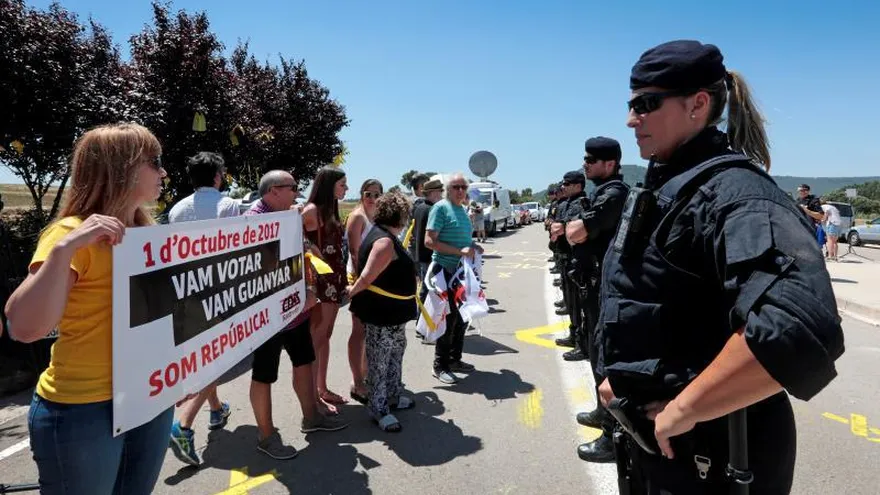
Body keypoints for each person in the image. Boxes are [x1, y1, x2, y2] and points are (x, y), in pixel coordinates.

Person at [597, 40, 844, 493]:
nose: (632, 119)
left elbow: (798, 328)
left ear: (698, 104)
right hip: (661, 447)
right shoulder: (673, 184)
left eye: (645, 104)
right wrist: (622, 380)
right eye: (631, 106)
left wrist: (684, 408)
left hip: (714, 452)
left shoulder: (736, 194)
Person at [5, 123, 172, 494]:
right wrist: (66, 249)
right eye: (155, 161)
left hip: (148, 396)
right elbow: (23, 327)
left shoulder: (148, 236)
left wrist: (183, 367)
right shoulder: (70, 234)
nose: (163, 172)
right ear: (123, 168)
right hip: (84, 409)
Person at [245, 170, 348, 460]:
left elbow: (306, 251)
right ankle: (266, 436)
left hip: (295, 311)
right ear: (273, 191)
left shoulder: (286, 215)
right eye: (292, 188)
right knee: (264, 374)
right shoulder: (254, 220)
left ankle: (311, 417)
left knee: (304, 361)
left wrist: (310, 286)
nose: (296, 193)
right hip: (267, 317)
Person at [166, 151, 236, 466]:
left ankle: (217, 409)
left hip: (185, 291)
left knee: (203, 353)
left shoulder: (177, 209)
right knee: (217, 357)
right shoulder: (228, 205)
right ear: (218, 176)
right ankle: (184, 424)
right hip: (219, 290)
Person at [564, 137, 630, 463]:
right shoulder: (600, 193)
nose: (585, 164)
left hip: (604, 287)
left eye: (591, 160)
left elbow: (575, 232)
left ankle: (613, 436)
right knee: (595, 353)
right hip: (593, 285)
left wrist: (575, 228)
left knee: (604, 359)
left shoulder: (614, 194)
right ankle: (601, 412)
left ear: (609, 164)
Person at [348, 192, 419, 432]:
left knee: (395, 355)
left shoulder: (387, 235)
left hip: (394, 315)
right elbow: (366, 277)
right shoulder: (384, 241)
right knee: (379, 361)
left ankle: (393, 396)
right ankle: (378, 408)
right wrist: (351, 293)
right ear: (399, 216)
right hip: (382, 314)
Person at [424, 173, 484, 384]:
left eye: (463, 187)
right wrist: (460, 252)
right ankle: (440, 366)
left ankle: (455, 359)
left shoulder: (461, 210)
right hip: (444, 271)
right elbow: (429, 241)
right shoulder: (440, 208)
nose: (460, 190)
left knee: (462, 318)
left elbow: (465, 242)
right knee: (447, 319)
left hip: (460, 273)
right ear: (448, 189)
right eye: (456, 187)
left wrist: (473, 247)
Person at [303, 166, 350, 412]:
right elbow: (297, 239)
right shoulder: (311, 211)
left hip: (334, 282)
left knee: (325, 337)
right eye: (342, 184)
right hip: (321, 285)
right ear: (328, 184)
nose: (346, 188)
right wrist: (309, 247)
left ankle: (322, 388)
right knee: (317, 338)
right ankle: (312, 397)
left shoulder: (330, 210)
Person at [345, 179, 384, 404]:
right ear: (361, 195)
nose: (372, 198)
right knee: (358, 331)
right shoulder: (357, 216)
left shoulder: (377, 216)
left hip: (376, 279)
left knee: (370, 331)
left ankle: (367, 375)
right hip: (360, 279)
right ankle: (357, 382)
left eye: (376, 194)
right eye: (368, 194)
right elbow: (354, 252)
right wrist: (362, 282)